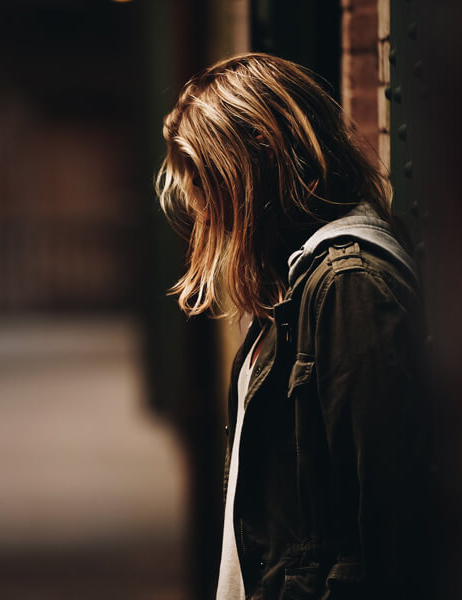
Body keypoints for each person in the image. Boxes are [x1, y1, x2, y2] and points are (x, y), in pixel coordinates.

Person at [156, 53, 434, 600]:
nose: (205, 214)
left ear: (258, 158)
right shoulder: (299, 282)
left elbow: (391, 524)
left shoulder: (347, 286)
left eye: (210, 184)